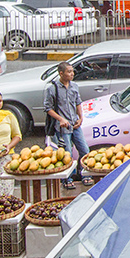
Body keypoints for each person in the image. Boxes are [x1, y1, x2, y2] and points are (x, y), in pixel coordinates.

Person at [44, 61, 92, 189]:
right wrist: (60, 119)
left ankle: (85, 175)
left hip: (75, 125)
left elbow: (78, 102)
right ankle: (67, 179)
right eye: (69, 72)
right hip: (62, 128)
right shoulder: (52, 89)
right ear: (61, 73)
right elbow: (48, 108)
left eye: (72, 71)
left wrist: (80, 118)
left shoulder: (74, 86)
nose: (72, 74)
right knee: (67, 154)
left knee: (84, 150)